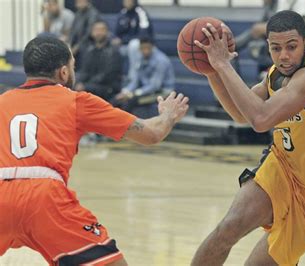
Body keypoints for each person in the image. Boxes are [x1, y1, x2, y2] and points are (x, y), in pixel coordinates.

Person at [0, 36, 188, 265]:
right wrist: (168, 115)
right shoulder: (76, 101)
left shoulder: (3, 101)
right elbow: (151, 133)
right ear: (63, 72)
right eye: (73, 66)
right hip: (44, 197)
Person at [191, 10, 305, 265]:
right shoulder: (275, 75)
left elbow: (260, 120)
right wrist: (213, 72)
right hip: (282, 169)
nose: (284, 55)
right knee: (228, 228)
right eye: (276, 48)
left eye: (291, 46)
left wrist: (224, 65)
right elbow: (240, 114)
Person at [113, 36, 175, 113]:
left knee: (130, 102)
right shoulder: (140, 58)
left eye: (148, 48)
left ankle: (127, 124)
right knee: (116, 100)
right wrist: (126, 91)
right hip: (145, 89)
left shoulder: (161, 61)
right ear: (139, 48)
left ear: (153, 47)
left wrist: (133, 94)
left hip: (162, 92)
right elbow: (136, 81)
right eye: (142, 48)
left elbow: (155, 86)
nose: (145, 51)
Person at [75, 20, 123, 102]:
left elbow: (107, 76)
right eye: (96, 30)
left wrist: (86, 85)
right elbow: (84, 71)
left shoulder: (114, 51)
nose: (98, 33)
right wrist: (77, 82)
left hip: (107, 88)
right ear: (92, 32)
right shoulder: (88, 50)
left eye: (101, 30)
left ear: (107, 32)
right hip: (91, 85)